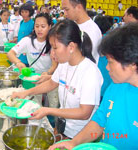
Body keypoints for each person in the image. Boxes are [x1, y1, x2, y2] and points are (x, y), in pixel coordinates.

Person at [49, 22, 138, 150]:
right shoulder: (116, 87)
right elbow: (99, 121)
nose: (106, 67)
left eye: (111, 62)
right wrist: (73, 142)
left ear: (132, 64)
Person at [12, 19, 103, 139]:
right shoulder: (65, 64)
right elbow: (51, 83)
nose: (52, 54)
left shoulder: (90, 73)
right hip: (62, 127)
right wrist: (26, 93)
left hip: (80, 135)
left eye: (55, 48)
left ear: (71, 47)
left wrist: (48, 110)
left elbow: (84, 113)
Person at [8, 13, 59, 107]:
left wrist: (47, 73)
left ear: (49, 26)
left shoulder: (53, 42)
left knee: (53, 104)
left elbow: (54, 65)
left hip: (51, 77)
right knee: (35, 105)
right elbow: (10, 53)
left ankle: (54, 121)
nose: (39, 29)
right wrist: (18, 63)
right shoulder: (27, 41)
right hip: (34, 78)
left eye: (43, 26)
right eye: (37, 26)